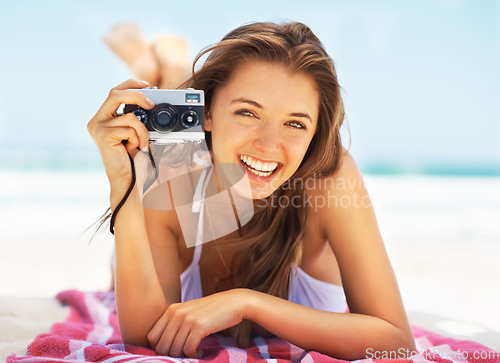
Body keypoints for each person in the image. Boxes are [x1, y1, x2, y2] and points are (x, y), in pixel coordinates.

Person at [88, 21, 416, 360]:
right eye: (247, 112)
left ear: (316, 130)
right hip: (194, 168)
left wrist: (247, 303)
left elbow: (397, 343)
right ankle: (162, 67)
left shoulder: (328, 178)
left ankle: (166, 64)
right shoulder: (171, 173)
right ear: (209, 114)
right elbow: (147, 339)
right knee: (175, 111)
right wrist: (123, 189)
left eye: (295, 123)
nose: (269, 145)